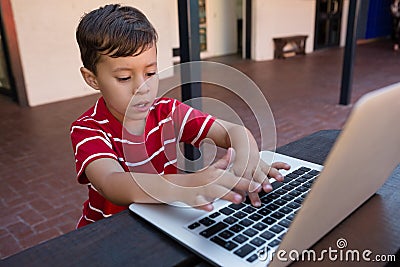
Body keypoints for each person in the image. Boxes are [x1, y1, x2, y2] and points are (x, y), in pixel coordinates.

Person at [71, 4, 290, 228]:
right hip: (109, 234)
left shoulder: (168, 112)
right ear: (92, 78)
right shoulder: (88, 129)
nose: (143, 87)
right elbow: (111, 182)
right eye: (125, 77)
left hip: (162, 225)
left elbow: (234, 132)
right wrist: (185, 185)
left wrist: (247, 160)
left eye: (150, 73)